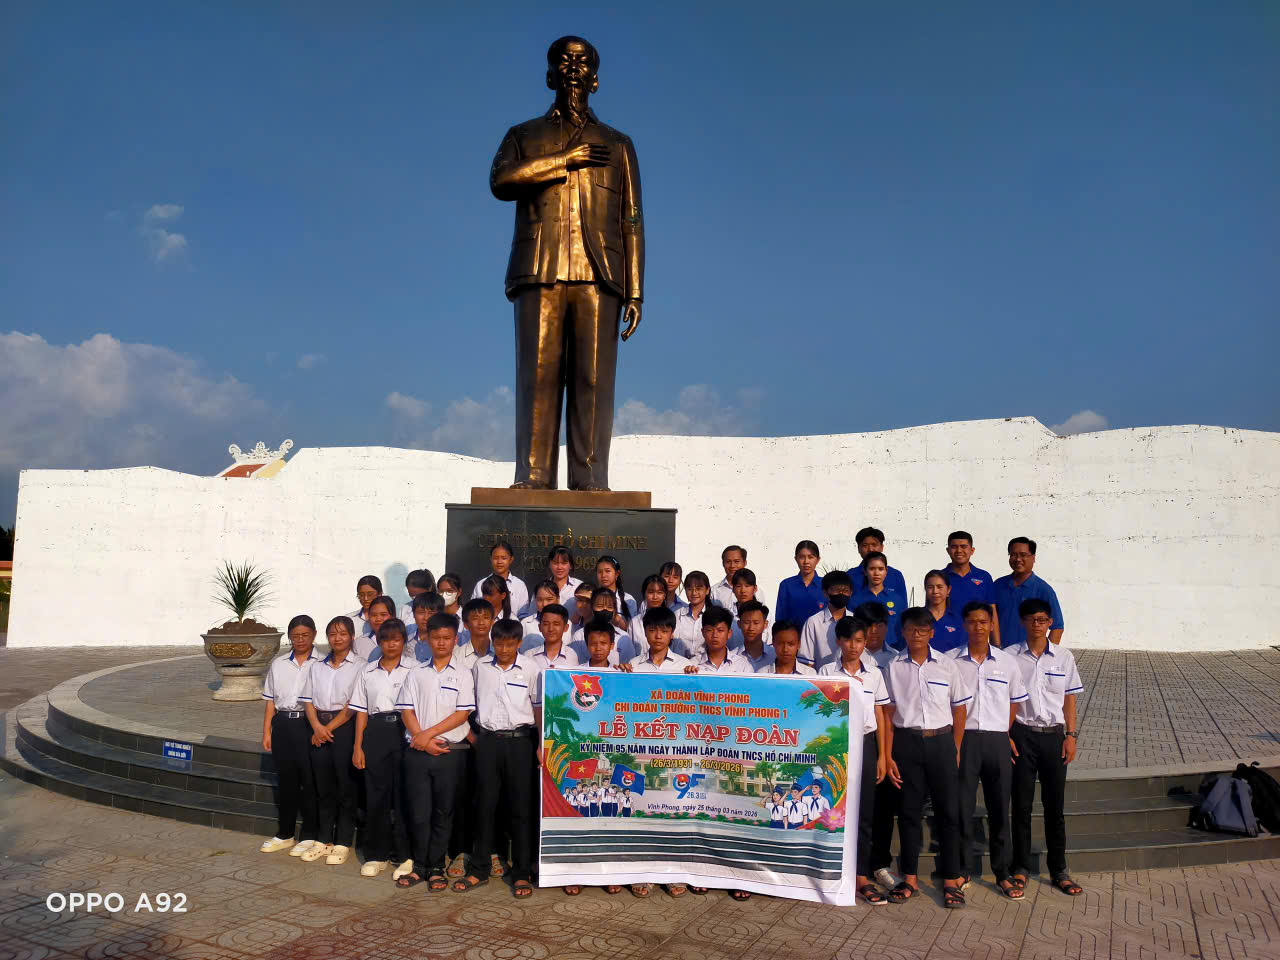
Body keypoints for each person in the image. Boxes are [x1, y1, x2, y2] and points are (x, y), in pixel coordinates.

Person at [882, 607, 969, 908]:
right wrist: (888, 755)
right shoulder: (893, 666)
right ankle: (910, 878)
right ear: (903, 632)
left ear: (932, 632)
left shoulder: (947, 665)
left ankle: (951, 878)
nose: (916, 634)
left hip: (942, 742)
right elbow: (888, 713)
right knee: (909, 813)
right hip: (907, 743)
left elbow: (959, 708)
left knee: (948, 812)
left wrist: (955, 748)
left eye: (922, 629)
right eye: (911, 629)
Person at [454, 619, 540, 898]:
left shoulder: (531, 668)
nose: (503, 649)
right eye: (498, 643)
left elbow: (538, 709)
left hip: (520, 743)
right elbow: (467, 705)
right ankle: (479, 868)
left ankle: (522, 872)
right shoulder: (480, 667)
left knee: (520, 809)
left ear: (519, 643)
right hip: (488, 742)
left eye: (509, 644)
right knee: (484, 806)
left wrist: (541, 744)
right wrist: (473, 738)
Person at [1006, 597, 1085, 899]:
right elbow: (1005, 699)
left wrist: (1071, 735)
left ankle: (1058, 870)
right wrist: (1006, 735)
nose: (1037, 625)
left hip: (1054, 737)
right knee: (1021, 806)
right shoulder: (1010, 656)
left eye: (1042, 620)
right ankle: (1020, 867)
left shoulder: (1063, 657)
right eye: (1031, 620)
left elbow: (1069, 699)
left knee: (1055, 807)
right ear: (1023, 622)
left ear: (1050, 622)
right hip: (1022, 736)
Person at [949, 601, 1028, 900]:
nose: (978, 627)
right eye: (973, 622)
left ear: (992, 625)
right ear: (964, 625)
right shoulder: (951, 661)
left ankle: (1002, 873)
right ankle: (962, 869)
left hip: (997, 740)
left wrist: (1004, 731)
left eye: (984, 622)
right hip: (965, 739)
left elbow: (1015, 701)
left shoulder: (1007, 662)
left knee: (999, 808)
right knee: (962, 807)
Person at [394, 612, 475, 891]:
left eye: (446, 638)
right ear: (427, 638)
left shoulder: (463, 674)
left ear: (455, 640)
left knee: (444, 811)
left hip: (449, 752)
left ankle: (437, 866)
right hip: (418, 752)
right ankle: (420, 866)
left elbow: (462, 714)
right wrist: (422, 739)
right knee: (419, 812)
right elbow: (406, 710)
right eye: (436, 637)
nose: (441, 642)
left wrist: (427, 735)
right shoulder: (416, 673)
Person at [819, 616, 891, 904]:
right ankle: (831, 871)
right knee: (832, 808)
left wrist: (883, 756)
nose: (853, 646)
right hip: (835, 747)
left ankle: (860, 876)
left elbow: (881, 715)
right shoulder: (826, 671)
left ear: (865, 642)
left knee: (864, 811)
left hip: (866, 743)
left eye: (859, 640)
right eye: (848, 640)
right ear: (839, 641)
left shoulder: (874, 674)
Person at [350, 618, 417, 880]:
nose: (391, 644)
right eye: (386, 640)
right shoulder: (367, 671)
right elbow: (361, 712)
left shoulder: (414, 669)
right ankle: (376, 854)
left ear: (404, 641)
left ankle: (405, 855)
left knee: (403, 794)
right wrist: (358, 746)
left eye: (396, 639)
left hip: (404, 730)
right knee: (376, 795)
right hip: (376, 731)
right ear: (379, 642)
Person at [299, 615, 364, 865]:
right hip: (318, 727)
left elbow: (354, 705)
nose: (338, 638)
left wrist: (328, 728)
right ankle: (324, 838)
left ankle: (343, 841)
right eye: (333, 634)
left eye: (343, 633)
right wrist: (317, 727)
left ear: (352, 637)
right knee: (323, 786)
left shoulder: (359, 666)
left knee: (346, 786)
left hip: (343, 727)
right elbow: (308, 700)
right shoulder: (317, 666)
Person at [259, 615, 322, 857]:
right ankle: (285, 833)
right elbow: (270, 701)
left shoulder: (321, 663)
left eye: (305, 635)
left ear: (314, 635)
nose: (300, 640)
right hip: (283, 725)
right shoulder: (279, 664)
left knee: (309, 780)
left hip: (308, 725)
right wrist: (267, 731)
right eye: (295, 636)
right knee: (286, 781)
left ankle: (309, 834)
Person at [853, 601, 901, 892]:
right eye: (867, 626)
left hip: (885, 739)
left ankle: (880, 864)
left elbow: (888, 710)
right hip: (849, 741)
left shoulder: (895, 659)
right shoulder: (845, 657)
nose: (873, 631)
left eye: (879, 625)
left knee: (882, 806)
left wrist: (886, 754)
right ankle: (851, 865)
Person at [994, 538, 1065, 648]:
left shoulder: (1044, 590)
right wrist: (996, 648)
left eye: (1023, 555)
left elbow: (1057, 627)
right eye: (1013, 554)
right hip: (1002, 653)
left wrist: (1045, 654)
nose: (1018, 559)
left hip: (1029, 654)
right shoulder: (998, 585)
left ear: (1033, 558)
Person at [943, 531, 999, 646]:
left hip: (976, 643)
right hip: (946, 642)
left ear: (972, 550)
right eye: (954, 547)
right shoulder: (940, 578)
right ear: (948, 550)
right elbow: (932, 611)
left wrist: (996, 645)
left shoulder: (984, 577)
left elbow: (992, 612)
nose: (959, 550)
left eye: (963, 546)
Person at [798, 570, 856, 670]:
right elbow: (806, 662)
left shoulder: (856, 621)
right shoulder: (813, 622)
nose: (841, 594)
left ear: (851, 593)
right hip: (822, 678)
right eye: (836, 590)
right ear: (825, 592)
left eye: (845, 591)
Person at [849, 553, 907, 647]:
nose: (876, 573)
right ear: (865, 571)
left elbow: (904, 627)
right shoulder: (854, 600)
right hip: (863, 651)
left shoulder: (898, 600)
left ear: (886, 571)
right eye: (872, 569)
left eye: (881, 569)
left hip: (893, 651)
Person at [569, 587, 636, 663]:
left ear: (614, 610)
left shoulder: (624, 637)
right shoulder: (579, 636)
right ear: (592, 607)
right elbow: (575, 665)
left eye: (609, 607)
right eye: (600, 606)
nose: (604, 610)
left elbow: (629, 664)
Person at [470, 542, 530, 619]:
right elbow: (472, 611)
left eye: (503, 558)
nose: (499, 562)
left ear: (511, 559)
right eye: (495, 558)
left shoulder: (519, 585)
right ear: (491, 559)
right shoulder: (480, 584)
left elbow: (523, 616)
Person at [775, 540, 825, 624]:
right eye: (801, 557)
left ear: (818, 559)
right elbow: (781, 618)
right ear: (796, 559)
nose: (806, 562)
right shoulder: (786, 585)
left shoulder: (826, 584)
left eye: (811, 557)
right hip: (793, 632)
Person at [848, 527, 909, 597]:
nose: (870, 549)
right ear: (858, 548)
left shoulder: (896, 575)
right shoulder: (850, 576)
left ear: (882, 547)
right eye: (865, 545)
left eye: (874, 545)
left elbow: (902, 602)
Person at [631, 605, 692, 673]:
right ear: (645, 632)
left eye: (664, 631)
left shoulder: (684, 665)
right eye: (652, 630)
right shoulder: (633, 665)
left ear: (672, 634)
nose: (658, 636)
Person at [690, 606, 751, 674]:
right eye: (709, 630)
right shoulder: (693, 665)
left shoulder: (742, 666)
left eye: (720, 630)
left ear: (729, 633)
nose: (715, 635)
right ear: (703, 632)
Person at [673, 570, 714, 658]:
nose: (694, 593)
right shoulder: (677, 615)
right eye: (690, 589)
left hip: (704, 664)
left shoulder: (713, 615)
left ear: (707, 590)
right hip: (679, 663)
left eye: (698, 589)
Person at [528, 603, 579, 672]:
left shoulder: (571, 655)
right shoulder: (529, 656)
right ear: (540, 627)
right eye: (546, 624)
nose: (551, 629)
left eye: (556, 624)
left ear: (566, 628)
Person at [627, 574, 669, 657]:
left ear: (664, 595)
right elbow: (630, 651)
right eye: (651, 592)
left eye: (659, 593)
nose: (655, 597)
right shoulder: (635, 623)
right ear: (644, 594)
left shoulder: (671, 620)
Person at [922, 570, 965, 653]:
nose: (935, 591)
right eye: (930, 587)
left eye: (939, 587)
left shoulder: (958, 620)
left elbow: (963, 649)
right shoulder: (917, 617)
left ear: (948, 590)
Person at [594, 554, 637, 625]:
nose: (603, 575)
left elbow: (632, 628)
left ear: (617, 574)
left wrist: (616, 618)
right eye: (600, 572)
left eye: (608, 571)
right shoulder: (592, 597)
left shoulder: (628, 600)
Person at [454, 599, 495, 671]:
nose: (481, 622)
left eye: (486, 617)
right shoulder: (456, 656)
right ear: (466, 624)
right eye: (475, 618)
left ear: (492, 622)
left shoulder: (501, 653)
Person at [519, 580, 560, 649]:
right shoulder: (525, 623)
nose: (544, 604)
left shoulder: (567, 623)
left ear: (558, 599)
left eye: (549, 599)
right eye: (540, 600)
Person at [737, 600, 775, 672]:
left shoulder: (775, 656)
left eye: (756, 623)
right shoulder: (732, 657)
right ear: (739, 624)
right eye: (746, 622)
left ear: (765, 624)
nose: (751, 628)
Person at [357, 596, 397, 662]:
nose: (378, 619)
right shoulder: (359, 643)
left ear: (392, 616)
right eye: (374, 615)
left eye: (383, 615)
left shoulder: (402, 640)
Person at [407, 592, 445, 659]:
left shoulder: (446, 642)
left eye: (431, 613)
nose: (426, 618)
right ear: (413, 614)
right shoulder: (405, 639)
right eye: (421, 612)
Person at [347, 575, 383, 642]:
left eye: (370, 594)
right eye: (361, 595)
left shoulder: (388, 618)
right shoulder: (349, 619)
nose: (365, 598)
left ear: (379, 594)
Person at [711, 545, 748, 610]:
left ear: (745, 563)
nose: (732, 566)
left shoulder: (755, 592)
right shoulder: (714, 591)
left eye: (736, 561)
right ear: (723, 563)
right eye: (728, 562)